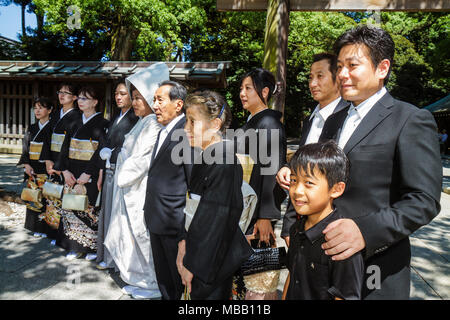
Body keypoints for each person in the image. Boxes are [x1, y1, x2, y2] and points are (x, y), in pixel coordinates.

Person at [320, 25, 442, 299]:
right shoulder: (333, 120)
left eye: (352, 65)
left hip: (376, 268)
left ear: (382, 68)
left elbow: (423, 200)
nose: (342, 74)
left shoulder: (410, 119)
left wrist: (365, 231)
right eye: (339, 66)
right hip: (323, 262)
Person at [176, 91, 253, 299]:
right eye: (186, 121)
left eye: (192, 122)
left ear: (215, 124)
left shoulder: (224, 161)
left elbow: (215, 223)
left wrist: (192, 264)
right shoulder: (208, 156)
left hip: (212, 261)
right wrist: (183, 245)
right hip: (200, 252)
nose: (186, 129)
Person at [104, 63, 169, 300]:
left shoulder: (153, 124)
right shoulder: (143, 121)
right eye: (133, 98)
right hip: (129, 185)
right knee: (127, 235)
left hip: (138, 187)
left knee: (139, 236)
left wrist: (119, 164)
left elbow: (140, 160)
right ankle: (136, 279)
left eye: (138, 98)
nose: (134, 103)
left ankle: (149, 283)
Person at [276, 53, 350, 247]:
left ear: (338, 78)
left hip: (331, 227)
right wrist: (288, 167)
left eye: (320, 76)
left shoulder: (349, 119)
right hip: (301, 220)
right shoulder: (312, 119)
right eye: (310, 77)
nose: (313, 83)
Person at [282, 141, 364, 300]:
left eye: (308, 183)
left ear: (336, 189)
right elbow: (293, 276)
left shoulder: (341, 242)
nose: (297, 190)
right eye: (293, 180)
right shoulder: (297, 229)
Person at [143, 80, 194, 300]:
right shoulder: (164, 130)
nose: (155, 105)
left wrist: (186, 231)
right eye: (154, 100)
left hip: (174, 222)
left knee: (177, 282)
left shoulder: (187, 133)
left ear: (178, 104)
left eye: (160, 100)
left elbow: (193, 184)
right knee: (164, 280)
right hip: (156, 217)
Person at [54, 86, 109, 260]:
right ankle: (72, 245)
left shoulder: (103, 124)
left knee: (88, 208)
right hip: (71, 170)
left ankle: (90, 247)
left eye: (85, 98)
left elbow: (101, 151)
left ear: (95, 102)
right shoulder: (74, 121)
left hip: (88, 173)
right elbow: (64, 147)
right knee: (71, 207)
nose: (80, 101)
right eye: (80, 98)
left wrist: (88, 174)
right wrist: (64, 170)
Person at [237, 68, 287, 244]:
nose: (242, 93)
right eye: (241, 88)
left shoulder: (269, 123)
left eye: (248, 88)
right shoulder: (252, 122)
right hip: (244, 205)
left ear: (264, 92)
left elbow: (272, 169)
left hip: (256, 212)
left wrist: (265, 215)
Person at [96, 81, 139, 270]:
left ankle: (116, 259)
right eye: (116, 93)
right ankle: (106, 254)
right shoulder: (116, 116)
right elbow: (106, 141)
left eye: (123, 94)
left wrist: (112, 153)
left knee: (117, 216)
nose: (118, 97)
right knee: (107, 212)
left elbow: (131, 147)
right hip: (109, 169)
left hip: (124, 171)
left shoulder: (136, 119)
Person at [39, 83, 82, 242]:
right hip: (53, 160)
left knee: (66, 199)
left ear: (75, 97)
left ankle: (66, 236)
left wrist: (60, 166)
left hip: (66, 162)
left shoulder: (78, 116)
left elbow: (70, 143)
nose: (61, 95)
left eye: (66, 93)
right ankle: (52, 231)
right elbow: (47, 137)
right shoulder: (56, 114)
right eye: (60, 92)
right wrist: (48, 160)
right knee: (52, 197)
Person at [18, 97, 54, 238]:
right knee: (34, 197)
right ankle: (36, 227)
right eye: (35, 107)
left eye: (41, 107)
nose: (37, 110)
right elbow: (25, 148)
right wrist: (26, 164)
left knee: (49, 198)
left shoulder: (53, 127)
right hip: (32, 167)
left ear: (49, 110)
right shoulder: (32, 127)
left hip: (47, 167)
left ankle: (48, 228)